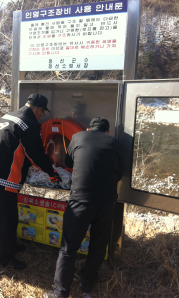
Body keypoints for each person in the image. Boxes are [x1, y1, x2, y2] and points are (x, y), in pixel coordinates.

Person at [44, 117, 124, 298]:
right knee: (98, 245)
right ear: (107, 132)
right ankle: (87, 286)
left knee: (68, 248)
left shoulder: (78, 137)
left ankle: (60, 293)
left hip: (80, 201)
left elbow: (69, 163)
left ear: (88, 129)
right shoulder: (116, 144)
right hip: (106, 203)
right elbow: (119, 174)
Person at [0, 93, 61, 270]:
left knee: (6, 216)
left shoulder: (10, 116)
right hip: (4, 178)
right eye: (43, 113)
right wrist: (52, 173)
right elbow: (36, 155)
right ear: (38, 109)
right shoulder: (29, 125)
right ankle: (5, 257)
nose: (42, 116)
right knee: (7, 219)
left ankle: (10, 246)